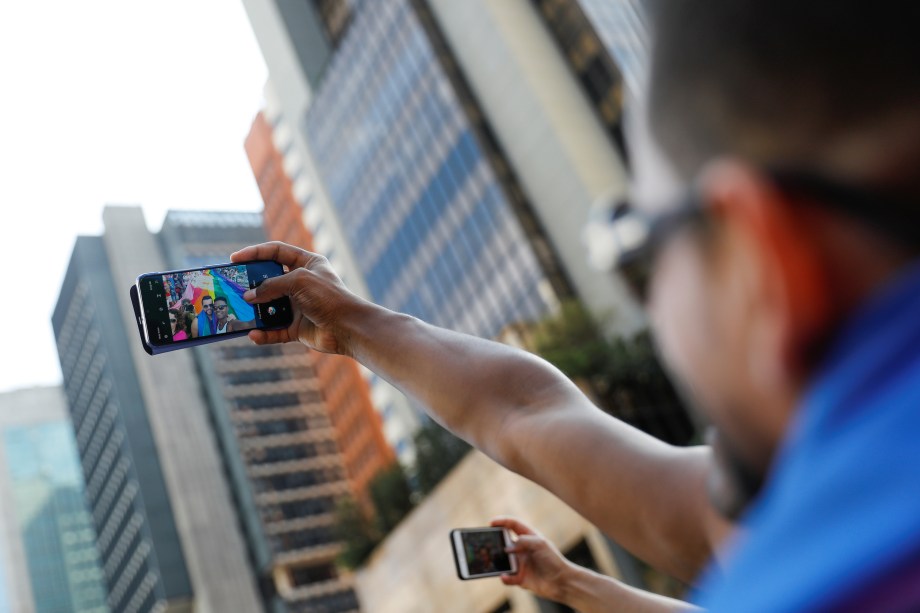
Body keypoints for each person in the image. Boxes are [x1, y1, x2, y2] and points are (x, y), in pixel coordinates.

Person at [231, 0, 920, 609]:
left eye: (635, 247)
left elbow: (529, 415)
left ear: (766, 262)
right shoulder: (835, 503)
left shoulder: (838, 563)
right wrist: (573, 584)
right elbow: (529, 411)